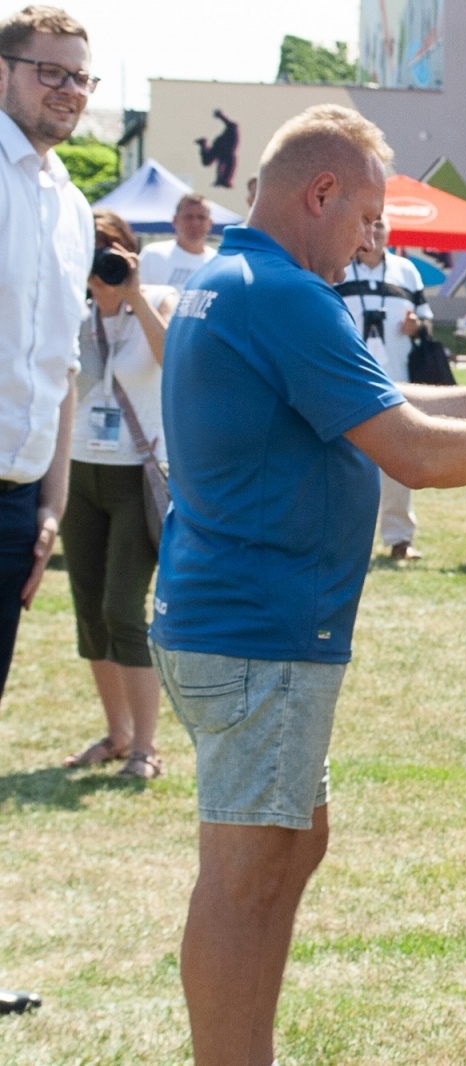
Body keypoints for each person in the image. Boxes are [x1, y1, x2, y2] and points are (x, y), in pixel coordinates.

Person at [149, 104, 466, 1066]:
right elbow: (408, 448)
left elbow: (396, 402)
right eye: (368, 216)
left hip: (245, 625)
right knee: (245, 881)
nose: (374, 240)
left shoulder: (241, 280)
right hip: (257, 633)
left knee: (290, 849)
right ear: (320, 193)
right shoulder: (282, 294)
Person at [0, 4, 97, 1014]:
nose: (65, 89)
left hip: (19, 500)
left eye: (80, 77)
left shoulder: (71, 203)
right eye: (47, 72)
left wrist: (49, 508)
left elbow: (62, 369)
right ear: (4, 74)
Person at [59, 209, 175, 780]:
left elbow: (173, 358)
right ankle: (117, 733)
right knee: (90, 613)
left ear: (131, 253)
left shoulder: (159, 299)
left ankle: (146, 748)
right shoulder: (72, 311)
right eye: (92, 253)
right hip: (81, 473)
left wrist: (132, 296)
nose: (101, 266)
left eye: (111, 253)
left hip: (136, 473)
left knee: (122, 606)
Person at [336, 213, 432, 561]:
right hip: (348, 377)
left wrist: (416, 326)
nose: (374, 233)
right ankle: (344, 538)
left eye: (380, 227)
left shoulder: (406, 271)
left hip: (398, 378)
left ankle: (399, 539)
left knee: (398, 458)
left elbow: (427, 321)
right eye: (369, 226)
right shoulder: (340, 266)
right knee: (345, 461)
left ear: (389, 233)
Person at [137, 192, 215, 287]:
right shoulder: (153, 255)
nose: (195, 223)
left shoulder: (216, 261)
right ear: (175, 220)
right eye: (188, 217)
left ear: (210, 223)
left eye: (201, 217)